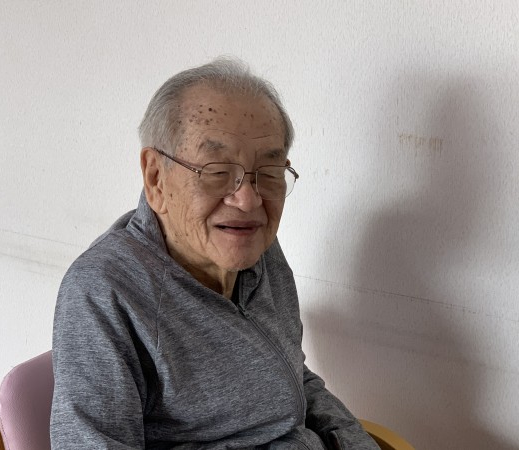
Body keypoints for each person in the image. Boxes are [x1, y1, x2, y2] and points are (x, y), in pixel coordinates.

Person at [50, 58, 379, 449]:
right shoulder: (104, 291)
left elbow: (293, 378)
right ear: (156, 178)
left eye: (268, 173)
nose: (248, 201)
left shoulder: (254, 248)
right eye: (217, 171)